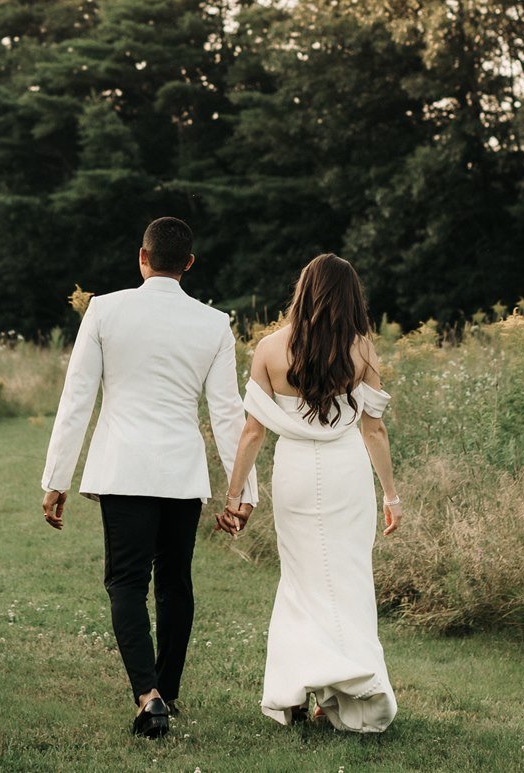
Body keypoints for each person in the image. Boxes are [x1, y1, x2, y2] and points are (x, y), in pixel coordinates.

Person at [39, 216, 259, 740]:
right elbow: (229, 413)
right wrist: (243, 491)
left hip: (124, 470)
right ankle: (168, 691)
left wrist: (56, 478)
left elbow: (77, 399)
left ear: (142, 257)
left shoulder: (105, 310)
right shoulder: (213, 324)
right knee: (176, 582)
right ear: (189, 264)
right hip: (182, 475)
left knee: (126, 582)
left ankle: (148, 695)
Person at [218, 252, 401, 732]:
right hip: (346, 474)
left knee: (300, 582)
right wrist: (391, 495)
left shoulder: (269, 349)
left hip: (296, 473)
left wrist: (235, 496)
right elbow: (374, 431)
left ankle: (297, 692)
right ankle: (343, 690)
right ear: (349, 297)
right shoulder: (361, 350)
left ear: (303, 291)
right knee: (347, 578)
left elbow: (252, 432)